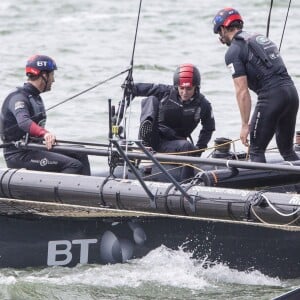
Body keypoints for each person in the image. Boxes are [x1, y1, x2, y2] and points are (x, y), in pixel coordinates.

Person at [213, 7, 299, 163]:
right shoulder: (258, 37)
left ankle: (258, 188)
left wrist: (245, 125)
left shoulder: (233, 51)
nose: (220, 37)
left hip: (271, 96)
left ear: (224, 28)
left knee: (256, 150)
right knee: (287, 150)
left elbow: (242, 91)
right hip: (291, 94)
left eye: (219, 32)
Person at [0, 54, 91, 175]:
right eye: (52, 75)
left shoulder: (35, 97)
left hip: (34, 149)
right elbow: (23, 122)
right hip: (19, 155)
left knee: (80, 152)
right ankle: (60, 192)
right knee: (74, 165)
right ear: (43, 75)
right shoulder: (19, 97)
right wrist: (45, 134)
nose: (53, 80)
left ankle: (85, 192)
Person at [132, 63, 215, 180]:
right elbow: (146, 88)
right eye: (182, 88)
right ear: (177, 86)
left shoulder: (203, 104)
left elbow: (208, 128)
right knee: (151, 99)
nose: (185, 92)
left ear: (196, 87)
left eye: (189, 89)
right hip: (154, 138)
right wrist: (131, 88)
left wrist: (198, 150)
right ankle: (145, 138)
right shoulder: (166, 92)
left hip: (174, 145)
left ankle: (186, 182)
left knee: (187, 145)